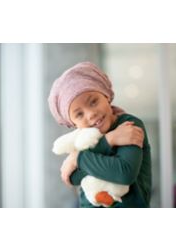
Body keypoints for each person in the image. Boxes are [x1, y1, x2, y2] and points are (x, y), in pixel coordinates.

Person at [48, 62, 152, 208]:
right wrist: (109, 140)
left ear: (106, 96)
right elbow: (73, 177)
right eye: (79, 114)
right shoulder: (81, 137)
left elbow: (125, 173)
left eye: (93, 102)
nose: (91, 114)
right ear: (73, 124)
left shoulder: (129, 125)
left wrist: (78, 158)